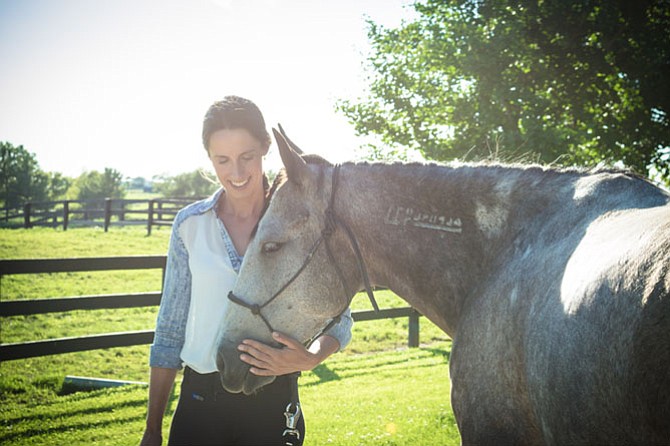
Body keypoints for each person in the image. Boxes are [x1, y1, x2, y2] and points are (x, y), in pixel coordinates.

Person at [140, 96, 353, 446]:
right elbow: (170, 329)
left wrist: (314, 356)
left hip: (273, 399)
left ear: (266, 148)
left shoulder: (301, 224)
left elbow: (340, 318)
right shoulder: (189, 226)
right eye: (222, 160)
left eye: (246, 157)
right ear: (209, 158)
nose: (236, 173)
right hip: (200, 400)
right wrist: (152, 429)